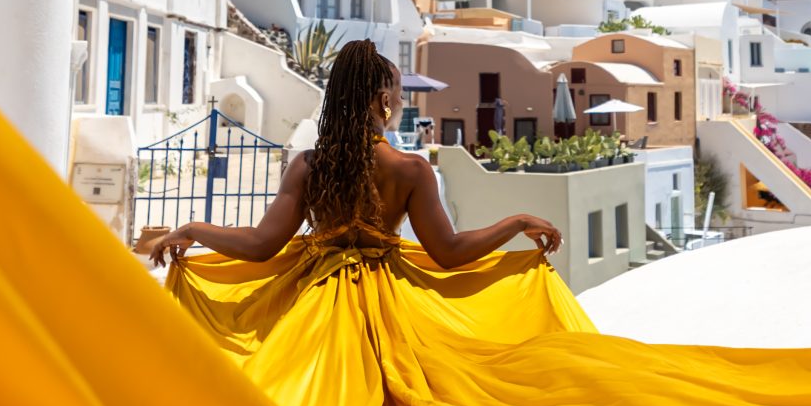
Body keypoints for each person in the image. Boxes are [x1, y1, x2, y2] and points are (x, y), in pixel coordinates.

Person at [136, 41, 560, 270]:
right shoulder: (411, 170)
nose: (401, 101)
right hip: (388, 307)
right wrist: (517, 222)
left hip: (314, 305)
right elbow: (448, 252)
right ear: (385, 101)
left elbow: (261, 245)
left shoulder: (308, 166)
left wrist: (193, 229)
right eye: (399, 94)